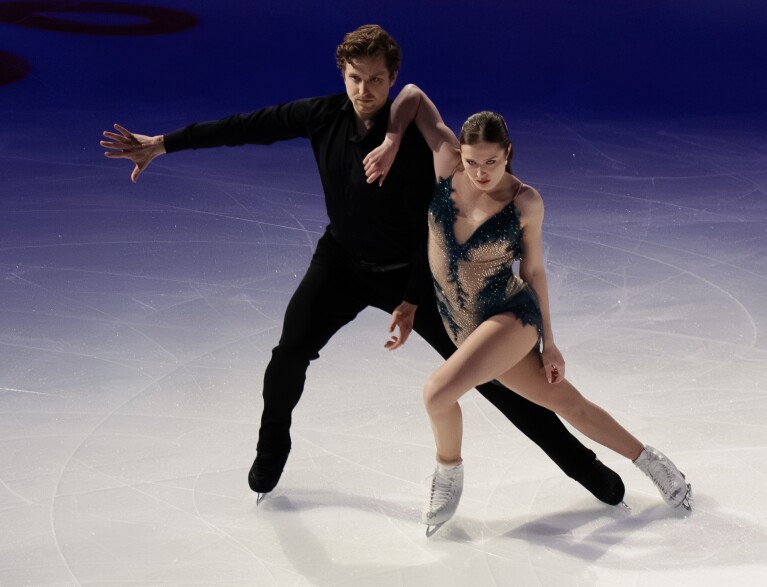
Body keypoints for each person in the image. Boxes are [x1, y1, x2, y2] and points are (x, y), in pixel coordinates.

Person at [100, 25, 627, 507]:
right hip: (343, 263)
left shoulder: (415, 140)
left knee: (495, 380)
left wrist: (414, 297)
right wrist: (165, 143)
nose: (364, 90)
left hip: (416, 275)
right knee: (287, 356)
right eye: (355, 78)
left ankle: (586, 467)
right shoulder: (321, 115)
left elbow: (440, 229)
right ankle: (271, 450)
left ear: (391, 79)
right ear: (343, 75)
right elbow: (248, 126)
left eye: (377, 79)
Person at [363, 84, 693, 529]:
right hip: (462, 324)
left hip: (510, 316)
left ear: (508, 153)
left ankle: (448, 474)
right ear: (459, 152)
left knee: (437, 392)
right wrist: (392, 139)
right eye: (473, 161)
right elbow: (413, 96)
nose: (481, 172)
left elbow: (534, 272)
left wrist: (551, 343)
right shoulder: (444, 165)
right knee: (567, 403)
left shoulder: (525, 202)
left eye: (492, 163)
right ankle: (653, 461)